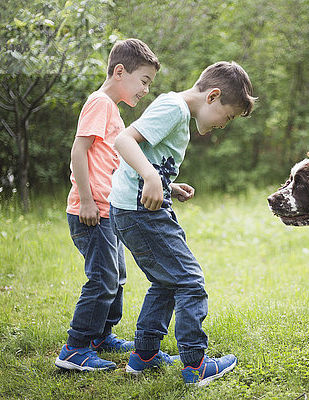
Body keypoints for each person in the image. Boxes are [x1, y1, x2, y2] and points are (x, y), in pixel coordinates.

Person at [108, 61, 256, 386]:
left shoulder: (178, 113)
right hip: (141, 211)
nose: (223, 125)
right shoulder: (173, 108)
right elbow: (124, 140)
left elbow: (148, 155)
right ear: (213, 96)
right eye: (227, 116)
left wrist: (165, 183)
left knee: (166, 281)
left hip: (131, 209)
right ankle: (195, 365)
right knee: (190, 280)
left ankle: (144, 355)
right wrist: (149, 177)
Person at [56, 39, 160, 371]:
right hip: (91, 211)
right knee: (102, 278)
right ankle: (75, 347)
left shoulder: (111, 109)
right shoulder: (100, 102)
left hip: (107, 210)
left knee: (116, 276)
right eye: (143, 80)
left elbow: (115, 163)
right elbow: (78, 151)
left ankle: (101, 336)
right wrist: (86, 200)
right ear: (120, 72)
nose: (146, 89)